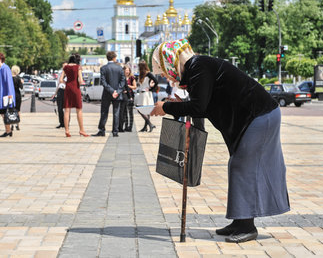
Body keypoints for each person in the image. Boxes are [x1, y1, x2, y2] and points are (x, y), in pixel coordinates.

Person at [151, 39, 290, 243]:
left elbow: (198, 108)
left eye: (164, 69)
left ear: (171, 60)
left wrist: (166, 108)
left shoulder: (199, 66)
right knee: (240, 166)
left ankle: (247, 226)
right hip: (254, 117)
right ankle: (240, 221)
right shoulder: (196, 68)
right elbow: (204, 105)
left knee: (241, 167)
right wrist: (179, 105)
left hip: (258, 115)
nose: (165, 74)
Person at [92, 51, 125, 137]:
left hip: (107, 93)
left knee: (104, 112)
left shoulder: (103, 68)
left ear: (107, 58)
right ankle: (115, 132)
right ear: (114, 58)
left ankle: (102, 130)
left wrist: (111, 91)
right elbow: (123, 81)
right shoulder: (120, 68)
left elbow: (103, 82)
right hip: (117, 94)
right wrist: (117, 91)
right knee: (116, 112)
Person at [61, 54, 88, 137]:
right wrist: (83, 83)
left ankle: (67, 130)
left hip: (68, 88)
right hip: (76, 88)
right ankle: (82, 130)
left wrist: (67, 83)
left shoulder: (65, 67)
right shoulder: (78, 67)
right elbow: (80, 80)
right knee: (79, 109)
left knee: (67, 110)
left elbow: (61, 80)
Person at [0, 52, 15, 137]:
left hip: (5, 94)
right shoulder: (0, 69)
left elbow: (9, 81)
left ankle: (8, 131)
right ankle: (8, 130)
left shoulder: (5, 68)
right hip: (2, 94)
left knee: (4, 113)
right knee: (3, 113)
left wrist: (10, 94)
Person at [136, 60, 157, 132]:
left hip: (146, 94)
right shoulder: (141, 74)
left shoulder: (148, 74)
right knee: (144, 110)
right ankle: (146, 127)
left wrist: (151, 89)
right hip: (142, 94)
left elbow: (156, 82)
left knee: (141, 110)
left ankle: (150, 124)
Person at [119, 65, 136, 132]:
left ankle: (130, 127)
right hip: (124, 96)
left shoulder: (131, 77)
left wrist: (128, 86)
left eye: (128, 70)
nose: (127, 72)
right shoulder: (121, 77)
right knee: (124, 112)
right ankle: (125, 126)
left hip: (130, 95)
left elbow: (135, 87)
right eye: (126, 70)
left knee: (130, 112)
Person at [53, 62, 67, 129]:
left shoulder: (69, 73)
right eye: (63, 66)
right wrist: (55, 93)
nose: (64, 67)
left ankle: (66, 123)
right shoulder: (60, 74)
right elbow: (58, 84)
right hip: (60, 90)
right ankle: (61, 123)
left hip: (67, 91)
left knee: (67, 109)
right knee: (59, 108)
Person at [11, 65, 23, 131]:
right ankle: (17, 125)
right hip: (17, 94)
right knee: (18, 110)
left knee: (11, 110)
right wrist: (21, 82)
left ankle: (12, 124)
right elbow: (21, 87)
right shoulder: (18, 78)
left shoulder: (9, 78)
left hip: (11, 95)